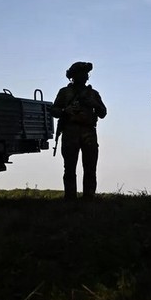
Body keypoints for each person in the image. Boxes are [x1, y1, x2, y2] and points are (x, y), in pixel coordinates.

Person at [51, 62, 107, 200]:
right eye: (82, 73)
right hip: (70, 131)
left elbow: (103, 112)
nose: (85, 76)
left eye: (86, 74)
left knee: (90, 167)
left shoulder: (93, 94)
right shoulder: (64, 92)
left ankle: (89, 196)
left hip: (88, 132)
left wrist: (93, 104)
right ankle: (70, 197)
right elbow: (54, 110)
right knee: (69, 168)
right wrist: (65, 111)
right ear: (74, 76)